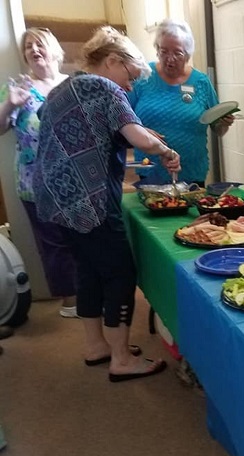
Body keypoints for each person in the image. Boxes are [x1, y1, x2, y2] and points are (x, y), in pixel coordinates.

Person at [32, 26, 181, 382]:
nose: (129, 87)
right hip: (89, 200)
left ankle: (97, 345)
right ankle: (121, 359)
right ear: (113, 61)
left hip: (54, 198)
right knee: (119, 272)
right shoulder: (103, 86)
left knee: (89, 270)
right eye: (130, 77)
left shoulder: (62, 88)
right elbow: (138, 138)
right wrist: (166, 151)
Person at [0, 27, 77, 318]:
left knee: (80, 239)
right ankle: (70, 302)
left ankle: (88, 294)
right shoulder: (18, 87)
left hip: (75, 181)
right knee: (52, 244)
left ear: (55, 51)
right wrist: (10, 103)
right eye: (28, 47)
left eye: (39, 44)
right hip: (34, 182)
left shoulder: (73, 85)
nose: (34, 50)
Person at [128, 18, 234, 186]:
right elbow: (122, 119)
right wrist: (140, 130)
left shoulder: (201, 82)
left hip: (191, 171)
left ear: (188, 54)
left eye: (177, 53)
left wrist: (224, 122)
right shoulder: (142, 77)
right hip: (151, 170)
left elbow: (218, 129)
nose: (170, 59)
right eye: (164, 51)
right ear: (156, 50)